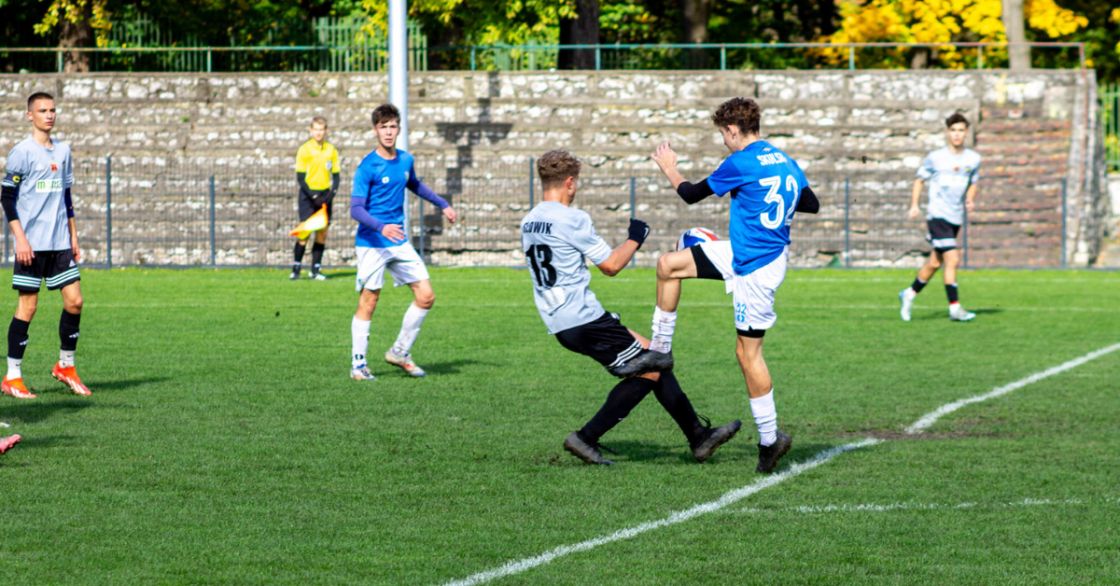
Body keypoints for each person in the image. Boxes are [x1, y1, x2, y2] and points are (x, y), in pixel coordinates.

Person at [522, 149, 741, 466]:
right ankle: (585, 437)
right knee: (651, 369)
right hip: (582, 318)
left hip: (560, 318)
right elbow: (611, 265)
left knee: (656, 355)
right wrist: (636, 237)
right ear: (569, 182)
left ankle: (699, 437)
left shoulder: (529, 220)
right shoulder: (572, 218)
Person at [651, 97, 818, 474]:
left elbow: (690, 194)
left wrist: (670, 169)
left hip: (756, 269)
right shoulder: (784, 160)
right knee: (668, 265)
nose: (723, 142)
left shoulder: (740, 161)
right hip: (743, 252)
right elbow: (811, 202)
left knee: (748, 355)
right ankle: (660, 348)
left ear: (732, 130)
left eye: (723, 136)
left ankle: (770, 438)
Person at [349, 104, 458, 380]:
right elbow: (356, 210)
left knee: (426, 296)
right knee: (370, 300)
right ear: (375, 130)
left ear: (399, 128)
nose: (388, 131)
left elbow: (415, 184)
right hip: (372, 242)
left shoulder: (405, 160)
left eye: (392, 126)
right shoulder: (367, 166)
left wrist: (442, 203)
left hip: (397, 240)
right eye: (383, 127)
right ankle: (358, 365)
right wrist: (380, 226)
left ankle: (399, 351)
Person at [1, 92, 90, 400]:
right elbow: (7, 198)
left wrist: (73, 235)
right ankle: (13, 376)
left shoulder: (63, 151)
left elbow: (66, 197)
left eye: (52, 109)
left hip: (60, 243)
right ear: (30, 115)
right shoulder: (21, 153)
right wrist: (20, 238)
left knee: (75, 301)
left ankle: (66, 366)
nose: (49, 115)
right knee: (29, 306)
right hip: (31, 245)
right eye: (42, 110)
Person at [898, 112, 981, 322]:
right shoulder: (936, 158)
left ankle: (909, 294)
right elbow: (919, 180)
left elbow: (973, 182)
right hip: (937, 215)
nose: (957, 135)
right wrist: (914, 205)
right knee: (953, 258)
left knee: (935, 263)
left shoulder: (973, 159)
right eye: (953, 130)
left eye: (961, 130)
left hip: (955, 217)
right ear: (947, 132)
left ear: (966, 133)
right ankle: (955, 308)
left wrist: (970, 198)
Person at [291, 116, 341, 280]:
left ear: (325, 131)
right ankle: (296, 268)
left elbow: (336, 176)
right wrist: (312, 195)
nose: (319, 133)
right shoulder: (304, 149)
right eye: (316, 129)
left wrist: (330, 194)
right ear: (311, 131)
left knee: (322, 233)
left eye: (322, 129)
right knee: (304, 232)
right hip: (308, 195)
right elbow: (300, 177)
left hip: (324, 196)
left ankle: (316, 270)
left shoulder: (331, 150)